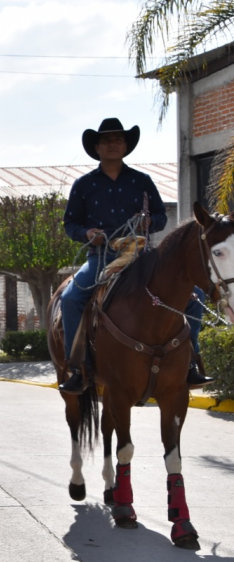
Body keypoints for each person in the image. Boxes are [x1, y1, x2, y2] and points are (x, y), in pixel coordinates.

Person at [58, 117, 212, 394]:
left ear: (126, 145)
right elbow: (70, 224)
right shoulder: (83, 184)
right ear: (97, 147)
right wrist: (87, 233)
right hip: (102, 256)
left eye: (118, 139)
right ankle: (78, 367)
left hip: (143, 256)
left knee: (196, 296)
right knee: (71, 298)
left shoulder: (142, 181)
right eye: (106, 140)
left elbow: (160, 217)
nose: (112, 144)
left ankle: (191, 363)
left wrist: (147, 223)